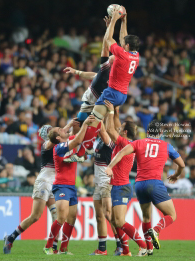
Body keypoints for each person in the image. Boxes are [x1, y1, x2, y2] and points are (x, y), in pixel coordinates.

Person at [66, 8, 140, 161]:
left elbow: (108, 41)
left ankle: (83, 153)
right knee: (97, 123)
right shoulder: (135, 55)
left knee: (91, 121)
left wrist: (113, 20)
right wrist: (124, 21)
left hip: (111, 93)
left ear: (125, 47)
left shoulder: (119, 55)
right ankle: (90, 149)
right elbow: (123, 39)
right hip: (122, 95)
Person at [105, 119, 185, 253]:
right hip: (155, 183)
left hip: (140, 184)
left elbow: (121, 153)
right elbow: (181, 164)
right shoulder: (166, 145)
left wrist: (110, 167)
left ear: (147, 132)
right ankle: (156, 230)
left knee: (146, 217)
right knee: (172, 215)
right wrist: (176, 174)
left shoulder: (138, 142)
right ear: (160, 133)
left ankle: (148, 249)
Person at [3, 119, 78, 254]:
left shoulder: (61, 143)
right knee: (35, 216)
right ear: (49, 135)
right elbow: (55, 140)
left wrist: (74, 125)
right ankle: (11, 237)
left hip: (55, 182)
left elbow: (68, 137)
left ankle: (53, 248)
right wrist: (69, 126)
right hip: (44, 181)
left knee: (57, 216)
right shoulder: (47, 144)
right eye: (54, 130)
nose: (59, 129)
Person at [63, 15, 115, 162]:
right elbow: (93, 75)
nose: (111, 56)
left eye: (113, 57)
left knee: (82, 125)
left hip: (93, 104)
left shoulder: (107, 69)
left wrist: (109, 28)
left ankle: (84, 150)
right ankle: (89, 147)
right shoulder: (106, 73)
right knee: (82, 125)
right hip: (91, 102)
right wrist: (76, 72)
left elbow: (105, 46)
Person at [43, 115, 95, 255]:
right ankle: (48, 246)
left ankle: (63, 249)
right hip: (61, 186)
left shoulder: (69, 141)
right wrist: (84, 125)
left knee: (71, 219)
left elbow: (79, 137)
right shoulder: (58, 148)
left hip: (71, 187)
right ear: (58, 138)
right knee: (62, 217)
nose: (63, 129)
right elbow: (78, 139)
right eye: (60, 129)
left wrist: (85, 124)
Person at [104, 100, 147, 256]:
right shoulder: (124, 143)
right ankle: (126, 251)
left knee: (120, 221)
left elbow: (109, 128)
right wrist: (115, 112)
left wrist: (109, 112)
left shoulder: (125, 144)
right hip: (118, 186)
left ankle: (143, 246)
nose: (118, 128)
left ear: (125, 133)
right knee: (115, 221)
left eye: (121, 128)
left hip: (122, 187)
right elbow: (115, 126)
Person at [89, 116, 123, 256]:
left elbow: (104, 129)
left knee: (109, 215)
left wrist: (98, 115)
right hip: (98, 184)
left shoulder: (110, 143)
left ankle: (121, 244)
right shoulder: (100, 142)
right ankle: (102, 249)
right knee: (99, 216)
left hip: (107, 182)